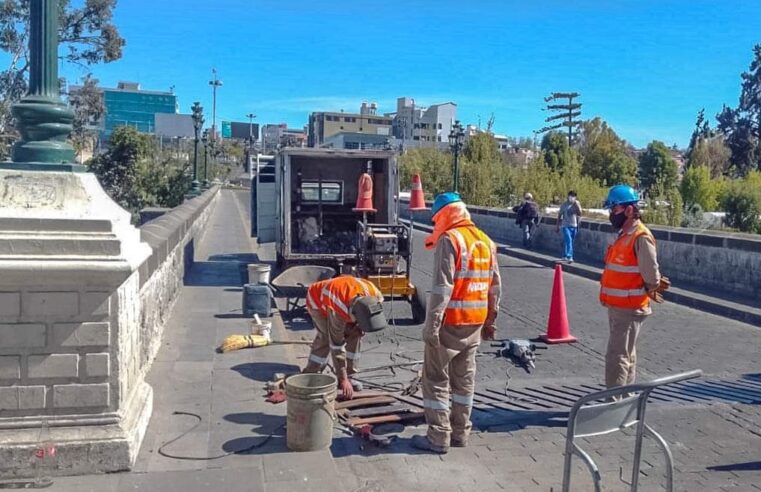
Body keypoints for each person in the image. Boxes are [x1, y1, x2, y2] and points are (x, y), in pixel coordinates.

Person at [412, 192, 502, 454]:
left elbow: (442, 287)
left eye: (435, 219)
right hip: (474, 323)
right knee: (464, 381)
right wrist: (491, 320)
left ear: (444, 215)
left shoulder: (450, 240)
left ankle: (438, 436)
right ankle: (461, 432)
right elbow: (494, 285)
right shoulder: (486, 241)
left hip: (450, 323)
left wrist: (432, 326)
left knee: (436, 379)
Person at [600, 185, 670, 389]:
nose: (611, 214)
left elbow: (651, 274)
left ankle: (613, 403)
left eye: (614, 209)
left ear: (629, 210)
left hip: (629, 306)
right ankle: (624, 400)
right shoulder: (626, 234)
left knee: (617, 357)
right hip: (619, 305)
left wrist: (652, 285)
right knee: (626, 354)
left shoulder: (640, 236)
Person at [303, 275, 387, 399]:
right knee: (326, 337)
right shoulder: (339, 309)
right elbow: (336, 346)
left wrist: (360, 326)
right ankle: (312, 374)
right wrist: (343, 380)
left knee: (355, 333)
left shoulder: (375, 295)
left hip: (344, 299)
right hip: (317, 301)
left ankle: (350, 376)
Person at [556, 191, 582, 263]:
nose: (572, 197)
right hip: (565, 225)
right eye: (571, 196)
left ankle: (564, 255)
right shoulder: (564, 204)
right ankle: (569, 256)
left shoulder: (577, 203)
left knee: (569, 241)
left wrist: (576, 205)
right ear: (568, 196)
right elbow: (559, 215)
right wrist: (557, 226)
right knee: (569, 240)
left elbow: (580, 213)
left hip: (574, 225)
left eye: (574, 196)